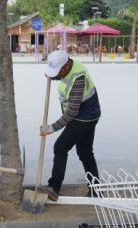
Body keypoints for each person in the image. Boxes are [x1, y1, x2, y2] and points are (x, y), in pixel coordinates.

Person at [40, 50, 101, 201]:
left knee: (60, 147)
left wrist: (52, 128)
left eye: (58, 71)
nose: (57, 74)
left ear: (66, 65)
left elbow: (72, 112)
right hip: (88, 114)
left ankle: (54, 187)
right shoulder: (69, 69)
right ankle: (96, 190)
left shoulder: (77, 78)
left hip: (83, 118)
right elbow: (63, 78)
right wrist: (52, 76)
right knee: (85, 153)